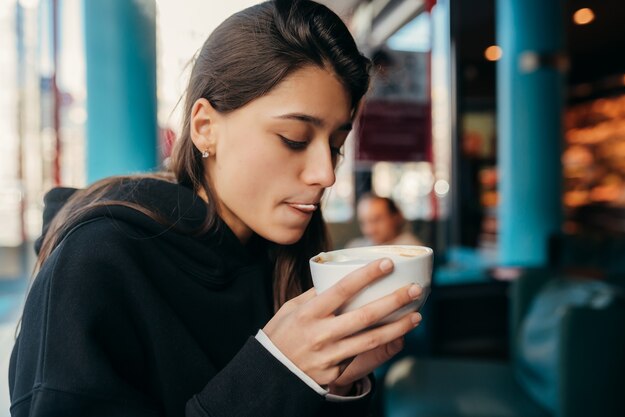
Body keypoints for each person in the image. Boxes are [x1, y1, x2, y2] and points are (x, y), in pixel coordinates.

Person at [8, 1, 424, 416]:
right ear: (205, 127)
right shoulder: (98, 261)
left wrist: (338, 385)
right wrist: (277, 371)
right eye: (295, 138)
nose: (325, 174)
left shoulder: (286, 260)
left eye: (335, 146)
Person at [347, 193, 423, 248]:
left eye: (376, 220)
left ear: (395, 217)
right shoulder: (355, 246)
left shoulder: (412, 249)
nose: (369, 230)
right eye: (363, 222)